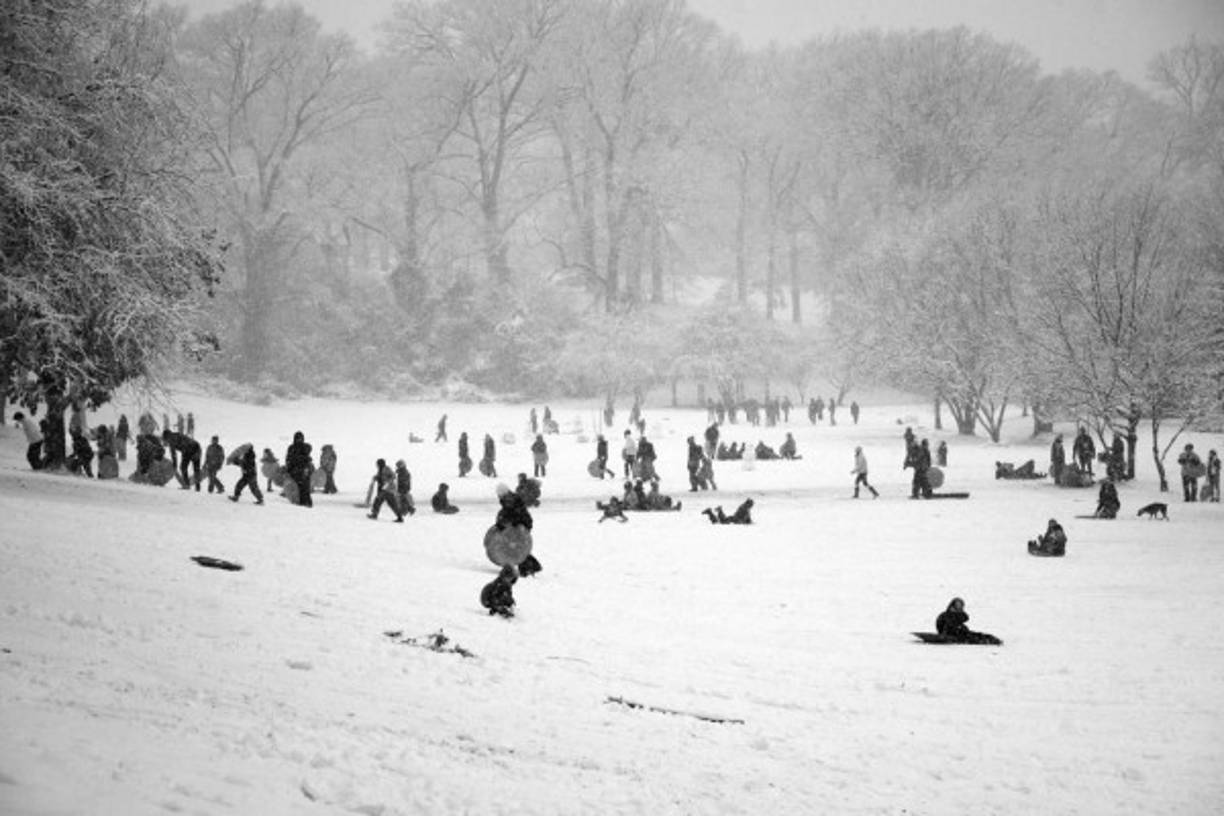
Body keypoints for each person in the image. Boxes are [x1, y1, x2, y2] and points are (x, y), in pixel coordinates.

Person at [285, 431, 314, 507]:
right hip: (295, 472)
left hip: (303, 471)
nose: (299, 440)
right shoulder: (291, 448)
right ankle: (301, 503)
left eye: (300, 438)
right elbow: (288, 459)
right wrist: (288, 469)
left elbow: (307, 453)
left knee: (305, 488)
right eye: (298, 438)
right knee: (297, 488)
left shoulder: (304, 447)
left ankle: (307, 503)